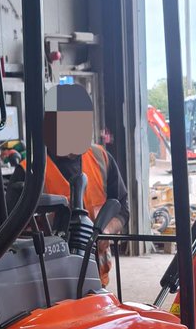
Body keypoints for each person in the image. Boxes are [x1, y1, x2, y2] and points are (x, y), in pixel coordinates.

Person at [39, 82, 129, 285]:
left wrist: (106, 230)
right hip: (48, 285)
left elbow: (122, 207)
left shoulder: (101, 158)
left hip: (97, 279)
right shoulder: (31, 171)